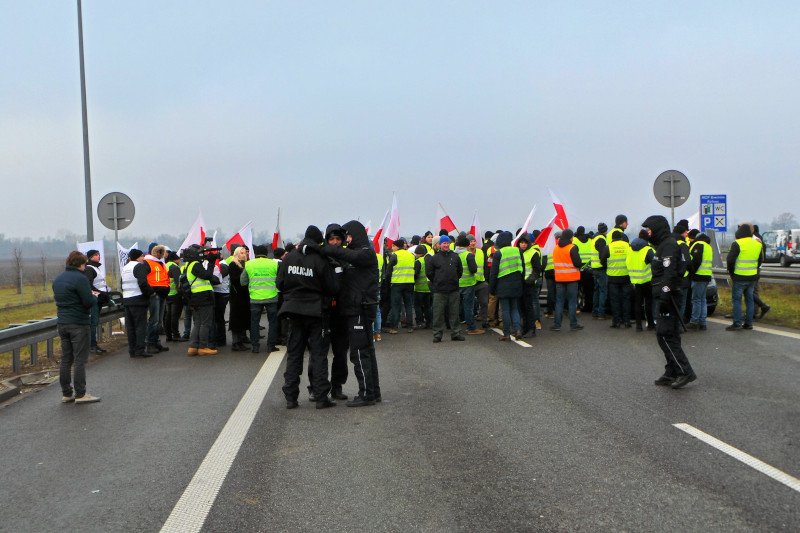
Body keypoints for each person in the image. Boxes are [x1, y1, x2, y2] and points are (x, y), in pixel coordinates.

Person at [279, 225, 340, 409]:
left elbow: (280, 283)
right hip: (316, 312)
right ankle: (321, 397)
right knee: (319, 355)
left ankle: (291, 397)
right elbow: (333, 288)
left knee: (294, 354)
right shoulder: (320, 260)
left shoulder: (288, 258)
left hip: (294, 311)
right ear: (319, 241)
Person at [323, 220, 381, 407]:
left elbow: (345, 254)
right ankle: (373, 391)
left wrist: (325, 248)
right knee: (367, 351)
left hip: (360, 308)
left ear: (355, 235)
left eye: (347, 236)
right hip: (359, 307)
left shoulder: (365, 253)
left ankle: (366, 394)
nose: (345, 241)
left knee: (359, 352)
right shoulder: (356, 255)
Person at [642, 215, 697, 389]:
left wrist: (665, 295)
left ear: (657, 229)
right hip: (665, 294)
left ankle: (685, 371)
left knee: (664, 334)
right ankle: (671, 371)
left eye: (649, 230)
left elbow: (670, 272)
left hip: (668, 295)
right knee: (670, 333)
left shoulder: (669, 246)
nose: (648, 233)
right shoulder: (663, 245)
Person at [53, 251, 100, 404]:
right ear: (81, 264)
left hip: (62, 323)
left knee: (66, 359)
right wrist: (94, 297)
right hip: (78, 323)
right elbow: (87, 302)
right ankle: (81, 394)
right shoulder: (81, 278)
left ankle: (66, 393)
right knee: (80, 359)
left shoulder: (58, 279)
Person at [310, 224, 349, 401]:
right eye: (331, 239)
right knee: (318, 353)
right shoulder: (320, 256)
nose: (334, 242)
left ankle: (337, 386)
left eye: (338, 239)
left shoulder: (347, 258)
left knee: (340, 352)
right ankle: (315, 387)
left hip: (341, 312)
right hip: (323, 311)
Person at [242, 244, 280, 353]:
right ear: (266, 253)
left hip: (255, 298)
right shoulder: (274, 263)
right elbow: (279, 279)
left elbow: (243, 281)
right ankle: (271, 346)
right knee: (272, 322)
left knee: (254, 322)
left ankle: (255, 346)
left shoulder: (249, 264)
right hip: (271, 297)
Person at [426, 235, 464, 342]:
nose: (446, 245)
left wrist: (454, 280)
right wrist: (437, 281)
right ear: (439, 245)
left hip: (454, 290)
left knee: (454, 313)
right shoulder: (434, 258)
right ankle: (437, 335)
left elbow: (460, 271)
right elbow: (429, 273)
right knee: (438, 313)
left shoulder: (455, 256)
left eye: (447, 243)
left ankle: (456, 333)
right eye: (444, 243)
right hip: (439, 290)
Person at [725, 223, 763, 331]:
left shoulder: (737, 243)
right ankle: (749, 323)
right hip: (752, 277)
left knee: (737, 300)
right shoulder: (757, 244)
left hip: (739, 277)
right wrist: (755, 271)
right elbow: (760, 260)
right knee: (749, 300)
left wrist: (732, 273)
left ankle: (737, 324)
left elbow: (730, 260)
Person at [183, 245, 219, 356]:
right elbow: (207, 275)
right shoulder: (196, 265)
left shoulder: (188, 265)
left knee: (198, 323)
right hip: (203, 297)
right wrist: (212, 263)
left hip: (195, 297)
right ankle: (203, 347)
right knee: (205, 323)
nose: (202, 255)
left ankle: (193, 347)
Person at [489, 231, 523, 340]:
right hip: (516, 283)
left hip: (503, 284)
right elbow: (522, 268)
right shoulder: (517, 250)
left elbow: (493, 273)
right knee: (515, 309)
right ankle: (518, 330)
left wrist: (492, 288)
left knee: (505, 310)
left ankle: (507, 334)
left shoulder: (498, 253)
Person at [550, 229, 583, 331]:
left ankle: (557, 325)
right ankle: (573, 324)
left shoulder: (555, 248)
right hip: (572, 279)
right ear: (570, 237)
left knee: (559, 301)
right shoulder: (572, 248)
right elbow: (577, 263)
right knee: (572, 302)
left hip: (559, 279)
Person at [121, 249, 152, 359]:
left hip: (127, 300)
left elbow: (122, 284)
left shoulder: (125, 268)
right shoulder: (139, 266)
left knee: (131, 327)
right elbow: (143, 282)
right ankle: (140, 350)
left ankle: (132, 350)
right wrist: (150, 293)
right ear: (138, 257)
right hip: (138, 299)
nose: (143, 258)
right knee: (140, 326)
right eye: (142, 256)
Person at [142, 244, 170, 355]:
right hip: (155, 294)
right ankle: (150, 343)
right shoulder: (147, 262)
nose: (159, 253)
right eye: (157, 251)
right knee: (154, 320)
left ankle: (156, 342)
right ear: (153, 252)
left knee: (158, 321)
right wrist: (152, 292)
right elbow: (144, 278)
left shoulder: (161, 263)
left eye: (161, 251)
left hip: (162, 293)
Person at [601, 231, 632, 328]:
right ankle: (627, 321)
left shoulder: (608, 247)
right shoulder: (628, 246)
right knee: (626, 299)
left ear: (612, 238)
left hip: (613, 278)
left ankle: (616, 322)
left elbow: (602, 260)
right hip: (626, 276)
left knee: (615, 300)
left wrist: (609, 266)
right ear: (621, 238)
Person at [627, 230, 655, 331]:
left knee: (637, 303)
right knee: (648, 302)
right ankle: (651, 324)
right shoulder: (648, 249)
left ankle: (638, 326)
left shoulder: (630, 248)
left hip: (634, 280)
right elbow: (655, 263)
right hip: (647, 280)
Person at [455, 234, 484, 334]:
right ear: (467, 245)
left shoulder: (454, 255)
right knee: (468, 307)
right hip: (468, 284)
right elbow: (474, 269)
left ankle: (455, 327)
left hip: (456, 284)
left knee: (456, 306)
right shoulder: (469, 255)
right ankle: (471, 327)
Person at [386, 238, 415, 333]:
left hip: (397, 283)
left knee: (396, 305)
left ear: (397, 246)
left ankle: (394, 327)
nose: (392, 248)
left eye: (393, 246)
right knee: (408, 305)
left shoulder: (394, 255)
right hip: (410, 282)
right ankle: (410, 326)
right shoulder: (411, 255)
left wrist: (388, 281)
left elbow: (389, 271)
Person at [83, 249, 108, 354]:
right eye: (96, 255)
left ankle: (93, 344)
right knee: (93, 323)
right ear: (90, 257)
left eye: (98, 254)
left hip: (99, 299)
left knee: (95, 322)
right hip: (95, 300)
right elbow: (89, 285)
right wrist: (100, 293)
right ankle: (92, 345)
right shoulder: (89, 268)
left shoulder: (96, 268)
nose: (99, 256)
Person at [226, 245, 251, 351]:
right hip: (236, 295)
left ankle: (241, 340)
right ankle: (236, 342)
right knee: (236, 318)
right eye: (241, 252)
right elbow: (235, 280)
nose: (244, 254)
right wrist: (244, 274)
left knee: (242, 318)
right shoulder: (233, 264)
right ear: (236, 254)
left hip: (244, 295)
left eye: (244, 252)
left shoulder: (245, 264)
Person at [687, 232, 712, 331]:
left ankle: (694, 322)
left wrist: (691, 272)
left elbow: (696, 261)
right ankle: (702, 322)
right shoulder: (708, 246)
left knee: (696, 300)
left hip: (698, 276)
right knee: (702, 300)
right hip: (706, 275)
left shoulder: (698, 245)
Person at [518, 233, 541, 338]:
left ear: (529, 243)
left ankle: (531, 328)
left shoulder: (533, 253)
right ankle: (525, 327)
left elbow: (537, 270)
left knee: (529, 307)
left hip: (528, 284)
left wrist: (529, 280)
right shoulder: (518, 252)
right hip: (519, 284)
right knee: (521, 307)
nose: (523, 245)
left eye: (525, 243)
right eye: (521, 242)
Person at [164, 251, 187, 343]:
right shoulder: (175, 267)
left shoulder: (165, 266)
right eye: (178, 259)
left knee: (168, 316)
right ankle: (176, 335)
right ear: (175, 259)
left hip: (166, 294)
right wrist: (182, 294)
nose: (179, 260)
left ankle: (168, 336)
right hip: (175, 295)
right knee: (174, 316)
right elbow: (178, 283)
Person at [573, 226, 595, 314]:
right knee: (589, 289)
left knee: (578, 289)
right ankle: (589, 307)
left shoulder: (574, 240)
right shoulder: (590, 240)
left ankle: (578, 306)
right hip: (589, 267)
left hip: (578, 267)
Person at [211, 254, 230, 348]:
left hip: (221, 293)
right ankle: (219, 338)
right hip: (220, 293)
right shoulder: (221, 264)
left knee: (218, 317)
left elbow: (217, 279)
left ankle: (220, 339)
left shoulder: (222, 265)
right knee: (218, 317)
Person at [751, 224, 771, 319]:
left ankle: (760, 308)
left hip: (753, 269)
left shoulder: (754, 239)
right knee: (753, 290)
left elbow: (759, 257)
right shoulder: (760, 238)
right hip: (757, 268)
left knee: (750, 291)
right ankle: (755, 311)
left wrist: (756, 267)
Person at [470, 234, 489, 329]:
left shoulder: (481, 252)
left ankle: (485, 320)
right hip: (469, 282)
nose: (473, 243)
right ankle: (470, 322)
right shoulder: (464, 253)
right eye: (470, 241)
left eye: (474, 241)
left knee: (484, 302)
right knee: (469, 304)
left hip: (481, 281)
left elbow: (485, 265)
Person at [591, 223, 609, 319]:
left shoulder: (594, 238)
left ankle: (595, 311)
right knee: (603, 291)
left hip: (595, 268)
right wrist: (605, 265)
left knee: (597, 290)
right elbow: (602, 255)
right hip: (601, 268)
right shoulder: (601, 239)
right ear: (605, 230)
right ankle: (601, 313)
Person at [412, 245, 432, 329]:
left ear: (418, 253)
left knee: (417, 306)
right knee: (427, 306)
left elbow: (415, 274)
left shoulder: (418, 262)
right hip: (428, 288)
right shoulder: (429, 260)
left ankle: (420, 322)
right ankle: (429, 322)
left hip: (419, 288)